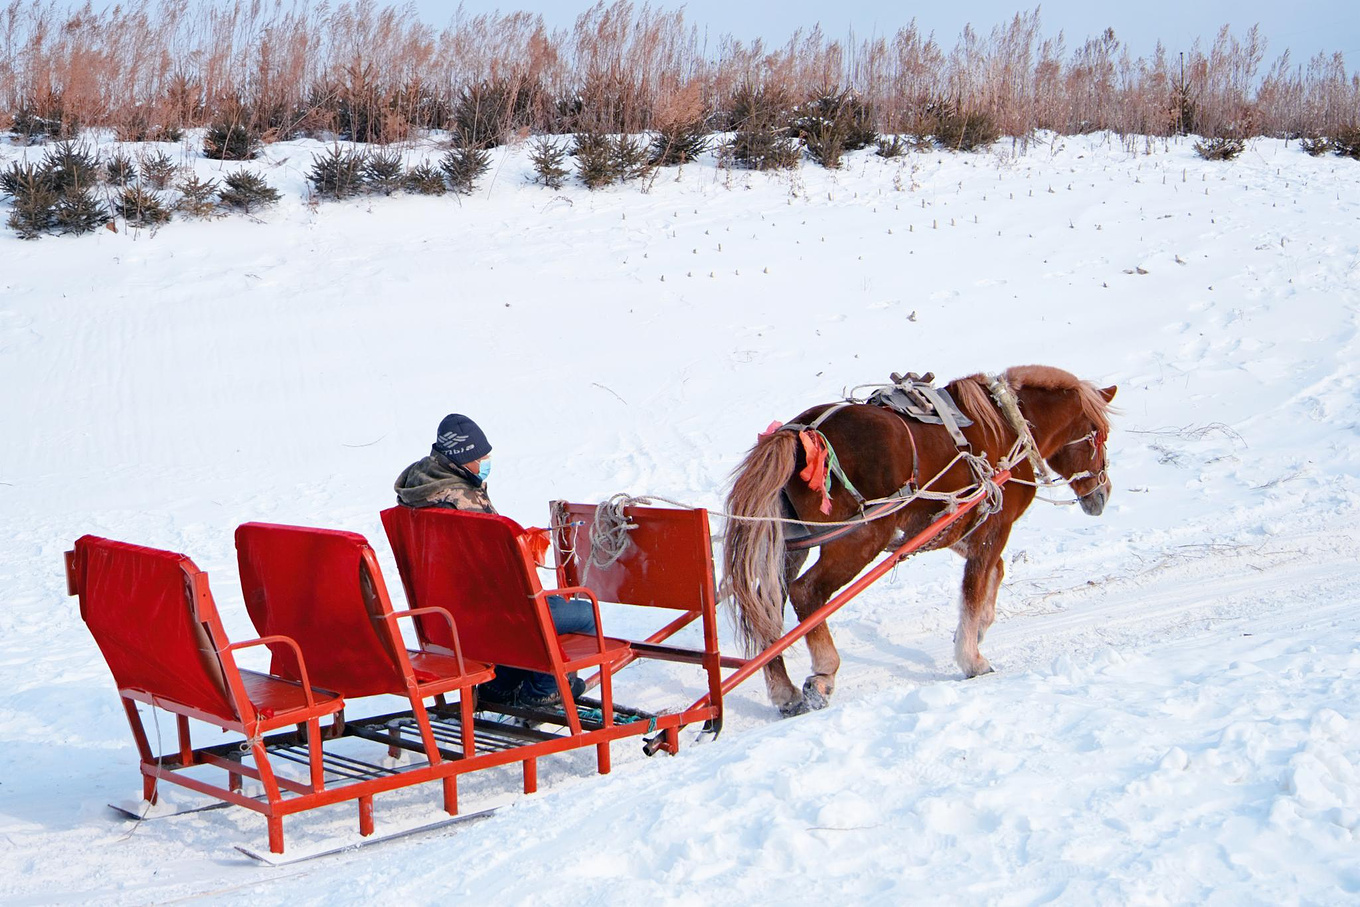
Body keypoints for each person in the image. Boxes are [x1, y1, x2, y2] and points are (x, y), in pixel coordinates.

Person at [394, 413, 589, 709]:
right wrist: (521, 554)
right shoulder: (464, 501)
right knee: (584, 614)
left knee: (524, 614)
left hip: (443, 615)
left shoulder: (417, 493)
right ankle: (544, 689)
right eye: (481, 458)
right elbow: (497, 571)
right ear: (462, 459)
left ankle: (501, 684)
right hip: (490, 613)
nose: (486, 463)